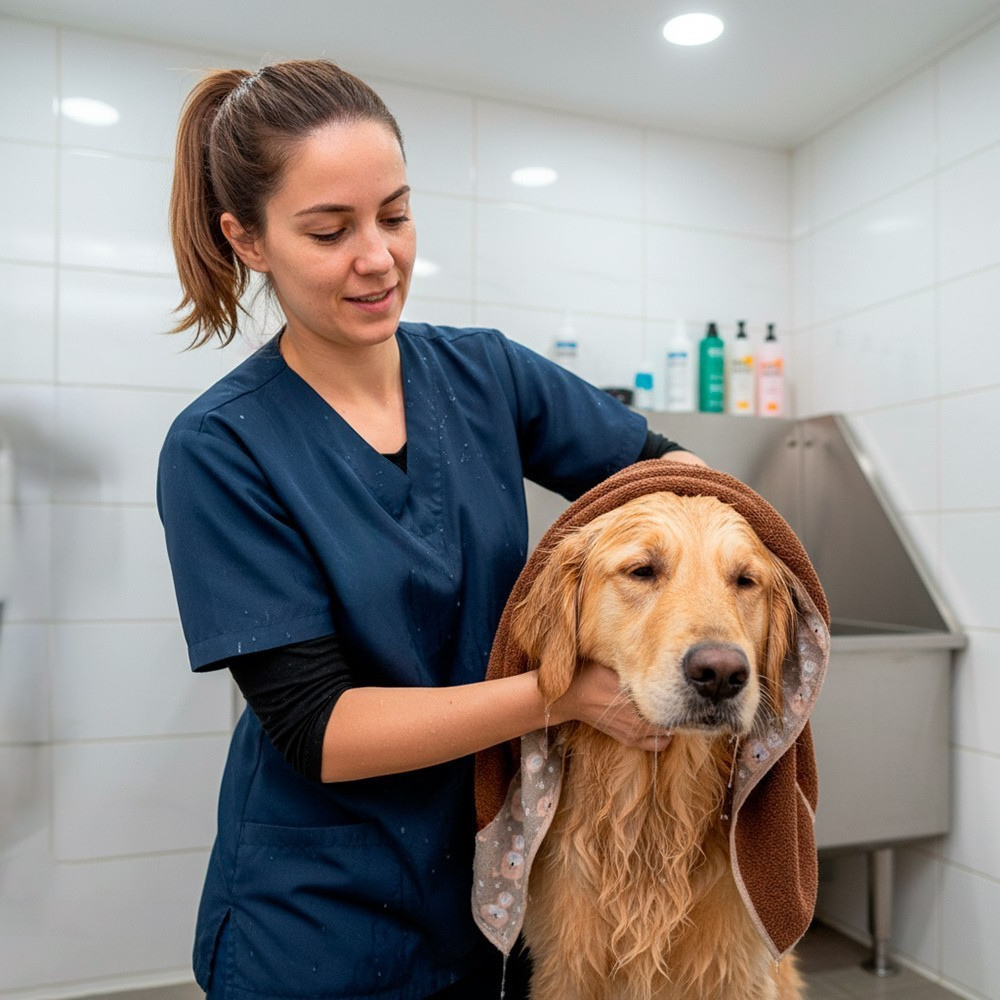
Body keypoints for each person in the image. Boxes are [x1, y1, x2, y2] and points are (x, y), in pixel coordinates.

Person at [157, 58, 706, 1000]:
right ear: (246, 239)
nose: (378, 257)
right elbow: (319, 727)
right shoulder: (220, 447)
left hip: (501, 877)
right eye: (330, 231)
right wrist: (564, 694)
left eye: (396, 215)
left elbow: (676, 477)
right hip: (321, 918)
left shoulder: (486, 375)